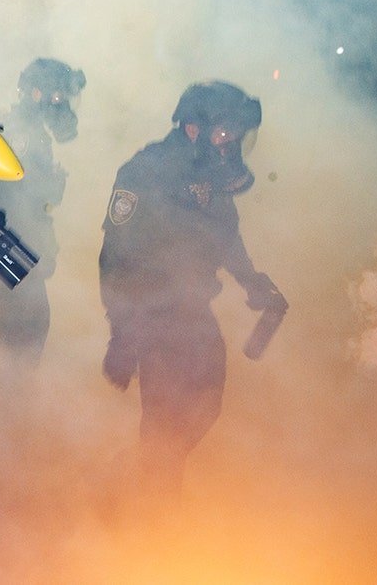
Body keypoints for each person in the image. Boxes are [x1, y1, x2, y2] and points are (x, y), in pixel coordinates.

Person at [98, 80, 287, 503]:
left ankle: (133, 476)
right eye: (224, 133)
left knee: (207, 406)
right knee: (163, 427)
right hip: (151, 316)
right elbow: (115, 256)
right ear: (192, 129)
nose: (232, 143)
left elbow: (225, 234)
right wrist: (123, 334)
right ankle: (150, 526)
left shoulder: (211, 175)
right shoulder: (144, 172)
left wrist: (252, 280)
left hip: (194, 312)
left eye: (237, 135)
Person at [0, 58, 85, 363]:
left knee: (23, 329)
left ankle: (7, 400)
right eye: (58, 98)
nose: (62, 106)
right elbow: (14, 195)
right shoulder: (19, 132)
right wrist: (51, 183)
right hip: (15, 246)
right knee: (23, 331)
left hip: (18, 246)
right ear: (37, 94)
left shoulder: (26, 129)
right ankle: (7, 403)